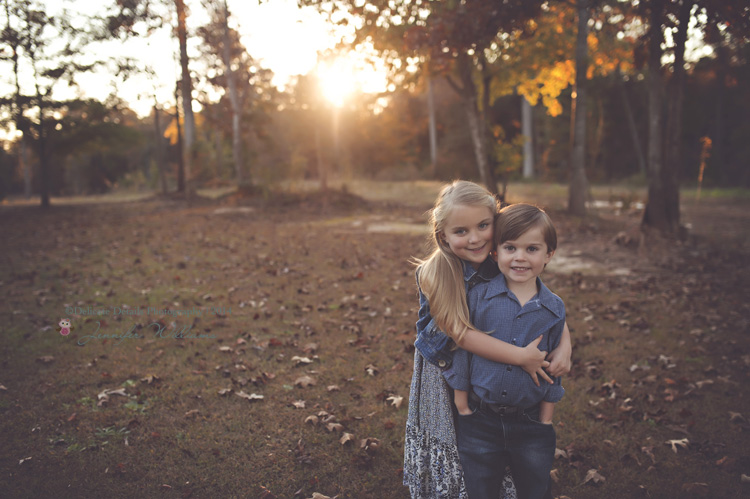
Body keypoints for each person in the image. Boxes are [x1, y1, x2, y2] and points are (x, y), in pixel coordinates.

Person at [403, 181, 572, 499]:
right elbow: (461, 335)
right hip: (445, 368)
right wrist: (520, 357)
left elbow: (541, 304)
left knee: (492, 434)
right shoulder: (434, 273)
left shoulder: (506, 258)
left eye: (483, 225)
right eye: (461, 231)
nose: (475, 237)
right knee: (456, 436)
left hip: (490, 366)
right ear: (444, 236)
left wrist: (565, 343)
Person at [445, 203, 565, 499]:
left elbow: (553, 369)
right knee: (481, 489)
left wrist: (546, 420)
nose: (520, 257)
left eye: (532, 249)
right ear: (496, 253)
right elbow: (463, 352)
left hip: (531, 422)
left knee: (535, 489)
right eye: (510, 248)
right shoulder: (478, 297)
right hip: (480, 420)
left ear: (549, 254)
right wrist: (462, 406)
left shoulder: (553, 308)